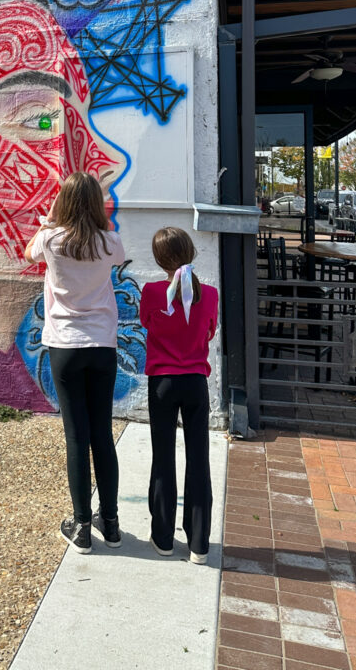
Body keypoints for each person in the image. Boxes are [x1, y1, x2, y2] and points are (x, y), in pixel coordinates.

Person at [25, 171, 125, 554]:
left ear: (63, 202)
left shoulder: (50, 239)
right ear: (96, 204)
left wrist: (51, 218)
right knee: (102, 433)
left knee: (76, 436)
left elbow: (29, 251)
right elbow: (112, 248)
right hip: (102, 345)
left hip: (64, 347)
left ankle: (82, 527)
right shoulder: (109, 242)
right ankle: (110, 524)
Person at [140, 227, 218, 564]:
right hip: (196, 381)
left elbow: (147, 325)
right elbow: (210, 332)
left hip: (162, 382)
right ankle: (199, 543)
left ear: (159, 260)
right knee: (198, 460)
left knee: (163, 458)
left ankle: (163, 537)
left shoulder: (152, 292)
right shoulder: (210, 294)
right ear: (190, 253)